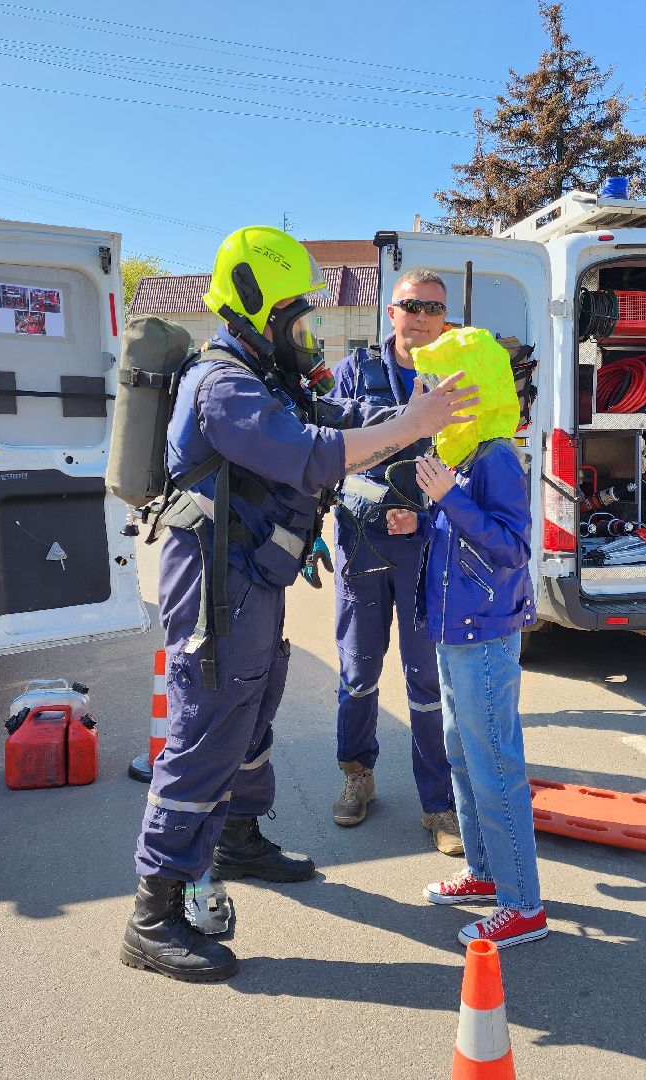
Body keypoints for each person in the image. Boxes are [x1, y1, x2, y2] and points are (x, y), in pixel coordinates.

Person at [122, 227, 476, 983]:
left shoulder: (264, 374)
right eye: (298, 318)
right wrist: (410, 428)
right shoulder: (224, 385)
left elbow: (328, 420)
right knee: (205, 733)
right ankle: (152, 915)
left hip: (253, 577)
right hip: (217, 590)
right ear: (256, 311)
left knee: (252, 713)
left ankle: (238, 837)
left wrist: (399, 411)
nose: (308, 333)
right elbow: (312, 453)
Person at [409, 332, 547, 950]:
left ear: (468, 391)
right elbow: (466, 537)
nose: (424, 394)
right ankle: (487, 874)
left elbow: (513, 547)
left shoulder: (493, 457)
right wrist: (424, 514)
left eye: (436, 384)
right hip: (457, 632)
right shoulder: (465, 455)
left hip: (483, 636)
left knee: (493, 766)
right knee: (463, 757)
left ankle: (523, 905)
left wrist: (449, 500)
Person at [326, 268, 462, 856]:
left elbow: (469, 467)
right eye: (411, 305)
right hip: (360, 541)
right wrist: (376, 497)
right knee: (358, 674)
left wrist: (424, 519)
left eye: (432, 308)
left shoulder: (457, 377)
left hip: (424, 547)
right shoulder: (355, 372)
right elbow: (324, 445)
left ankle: (439, 803)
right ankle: (357, 774)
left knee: (426, 680)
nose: (421, 316)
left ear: (444, 316)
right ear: (391, 311)